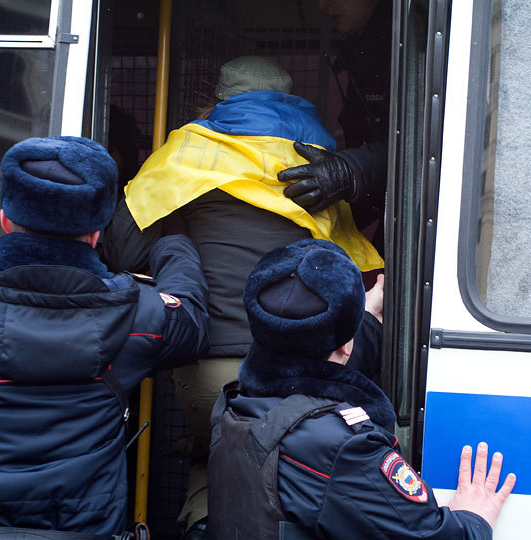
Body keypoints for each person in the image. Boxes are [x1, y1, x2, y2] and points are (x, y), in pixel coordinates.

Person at [103, 56, 383, 540]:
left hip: (204, 366)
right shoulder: (317, 159)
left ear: (216, 99)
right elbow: (354, 270)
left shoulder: (187, 150)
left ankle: (202, 524)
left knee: (215, 453)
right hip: (300, 369)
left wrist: (178, 236)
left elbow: (123, 247)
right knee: (289, 466)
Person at [0, 136, 209, 537]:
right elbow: (191, 324)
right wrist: (174, 242)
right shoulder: (140, 313)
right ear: (97, 234)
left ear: (4, 219)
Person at [207, 238, 515, 539]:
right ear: (346, 345)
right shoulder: (347, 450)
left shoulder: (236, 401)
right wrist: (473, 519)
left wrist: (360, 317)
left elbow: (310, 374)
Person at [278, 0, 396, 254]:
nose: (322, 6)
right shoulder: (363, 51)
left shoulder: (408, 45)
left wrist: (348, 171)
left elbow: (420, 147)